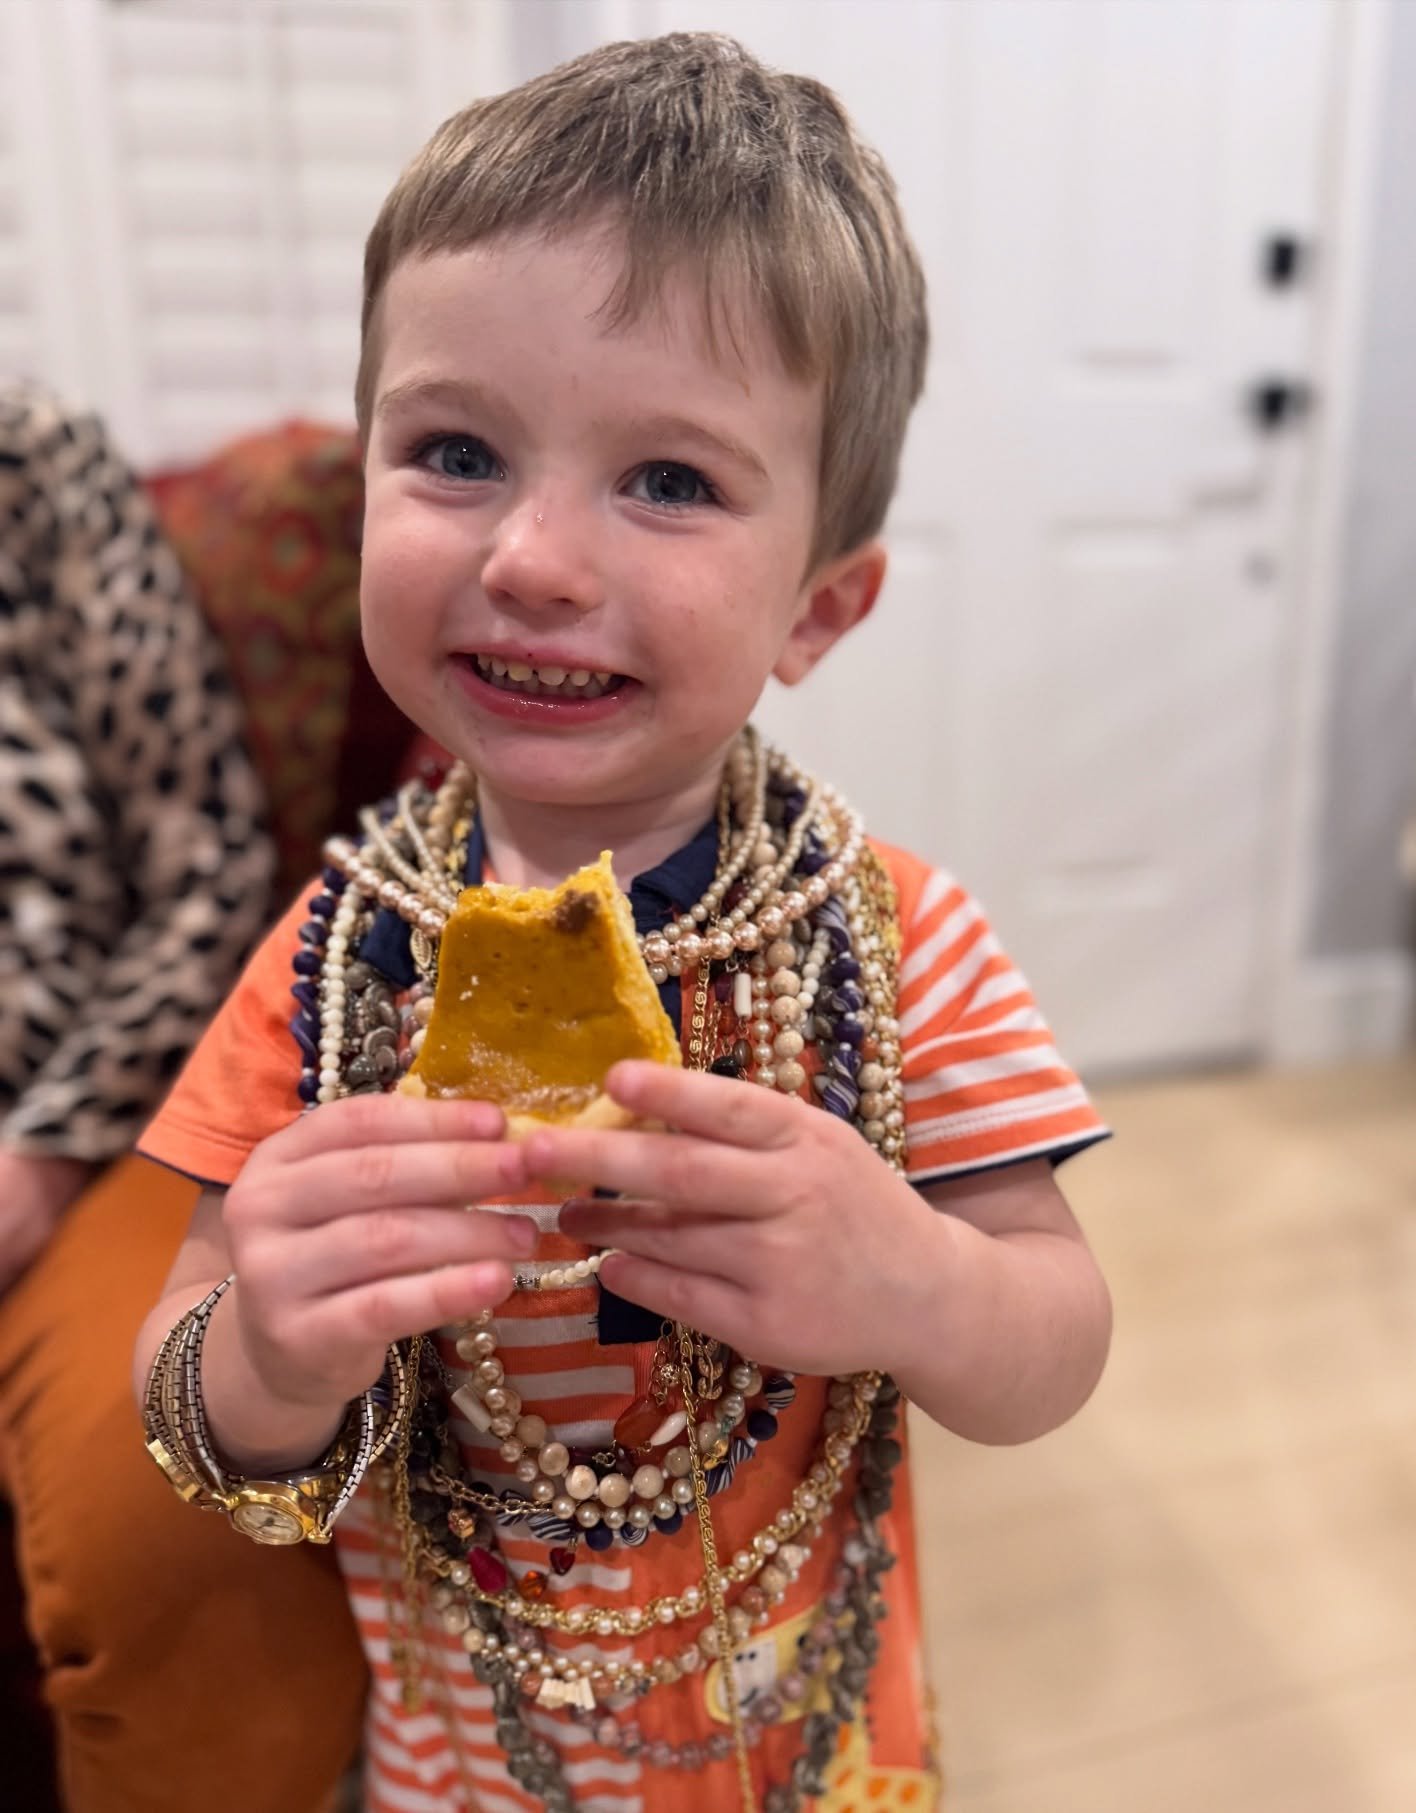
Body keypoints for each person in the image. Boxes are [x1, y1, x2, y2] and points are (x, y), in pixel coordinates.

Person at [134, 34, 1113, 1813]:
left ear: (819, 606)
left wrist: (913, 1279)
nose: (533, 559)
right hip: (457, 1763)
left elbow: (1054, 1338)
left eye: (667, 480)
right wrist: (268, 1350)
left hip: (809, 1748)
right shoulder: (330, 960)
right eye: (454, 450)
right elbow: (185, 1375)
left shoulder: (902, 943)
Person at [0, 381, 368, 1812]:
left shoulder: (31, 466)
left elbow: (205, 862)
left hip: (73, 1116)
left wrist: (34, 1158)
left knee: (178, 1552)